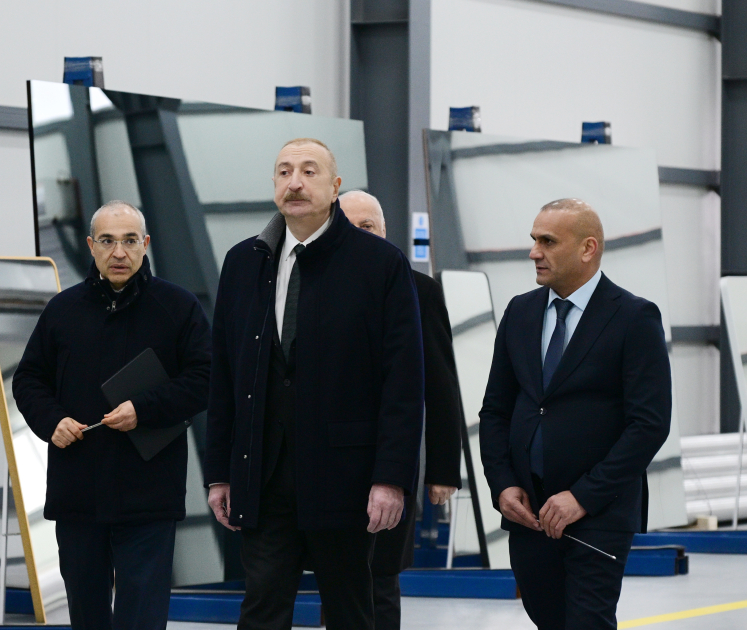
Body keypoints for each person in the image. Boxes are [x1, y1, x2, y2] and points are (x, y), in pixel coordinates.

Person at [204, 138, 424, 630]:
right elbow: (225, 376)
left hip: (345, 478)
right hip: (263, 475)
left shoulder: (379, 264)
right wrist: (219, 472)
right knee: (261, 609)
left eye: (309, 171)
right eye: (284, 172)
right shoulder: (243, 262)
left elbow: (404, 383)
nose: (295, 182)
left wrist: (391, 478)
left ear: (335, 186)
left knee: (350, 611)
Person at [12, 201, 211, 630]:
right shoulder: (62, 310)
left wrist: (144, 409)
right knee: (87, 617)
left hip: (149, 494)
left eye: (129, 240)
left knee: (142, 618)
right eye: (107, 241)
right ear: (90, 245)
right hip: (78, 493)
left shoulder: (178, 307)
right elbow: (28, 379)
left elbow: (206, 378)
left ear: (146, 244)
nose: (119, 252)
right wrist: (52, 421)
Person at [479, 198, 671, 630]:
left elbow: (649, 424)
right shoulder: (520, 312)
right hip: (529, 513)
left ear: (588, 248)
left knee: (587, 622)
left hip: (599, 514)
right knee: (548, 619)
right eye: (534, 240)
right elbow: (495, 410)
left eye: (548, 241)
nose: (534, 252)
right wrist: (502, 483)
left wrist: (583, 497)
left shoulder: (634, 317)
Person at [340, 190, 463, 630]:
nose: (359, 236)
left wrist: (444, 469)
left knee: (381, 577)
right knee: (338, 579)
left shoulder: (419, 290)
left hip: (391, 457)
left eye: (368, 227)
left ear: (385, 232)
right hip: (329, 463)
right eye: (349, 227)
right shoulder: (312, 288)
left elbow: (440, 383)